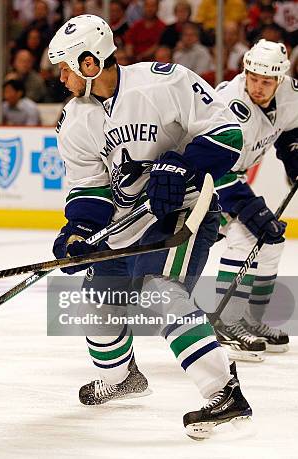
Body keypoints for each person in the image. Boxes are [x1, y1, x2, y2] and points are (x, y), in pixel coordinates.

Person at [48, 15, 250, 438]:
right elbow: (90, 187)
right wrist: (78, 233)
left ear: (89, 64)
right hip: (124, 225)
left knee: (160, 289)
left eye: (65, 67)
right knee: (97, 303)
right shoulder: (74, 120)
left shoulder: (165, 82)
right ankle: (124, 379)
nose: (60, 77)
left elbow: (229, 133)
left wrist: (183, 164)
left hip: (182, 213)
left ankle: (224, 391)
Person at [212, 40, 298, 361]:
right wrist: (250, 209)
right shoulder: (228, 105)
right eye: (253, 79)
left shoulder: (290, 94)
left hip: (234, 177)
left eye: (267, 81)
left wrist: (294, 153)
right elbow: (215, 166)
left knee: (272, 239)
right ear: (244, 71)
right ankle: (226, 321)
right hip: (201, 182)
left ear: (280, 80)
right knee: (248, 234)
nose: (258, 87)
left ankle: (250, 319)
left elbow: (291, 127)